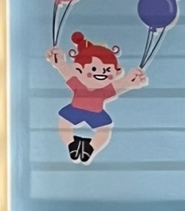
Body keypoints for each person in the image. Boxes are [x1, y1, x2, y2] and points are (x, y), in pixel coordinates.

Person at [46, 31, 147, 163]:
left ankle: (89, 148)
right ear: (79, 69)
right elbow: (64, 69)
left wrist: (131, 81)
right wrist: (59, 62)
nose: (101, 74)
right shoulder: (78, 84)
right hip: (75, 109)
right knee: (64, 124)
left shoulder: (104, 90)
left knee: (103, 130)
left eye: (107, 70)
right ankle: (72, 145)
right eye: (93, 69)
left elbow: (122, 84)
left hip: (96, 113)